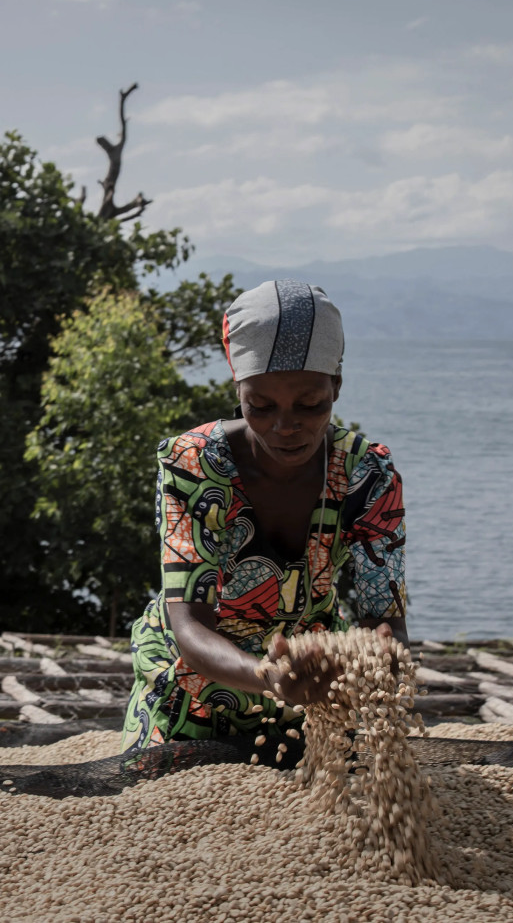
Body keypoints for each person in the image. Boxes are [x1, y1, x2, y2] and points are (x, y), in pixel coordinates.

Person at [123, 279, 407, 756]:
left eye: (310, 403)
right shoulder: (193, 466)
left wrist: (379, 658)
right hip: (194, 689)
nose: (286, 425)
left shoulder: (367, 475)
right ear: (238, 388)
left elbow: (388, 625)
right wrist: (269, 676)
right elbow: (189, 626)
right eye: (261, 406)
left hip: (316, 689)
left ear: (336, 384)